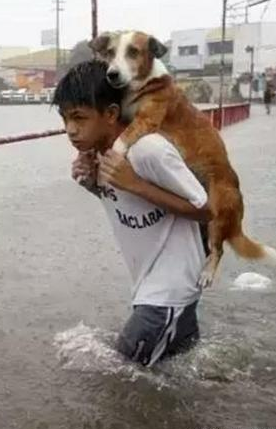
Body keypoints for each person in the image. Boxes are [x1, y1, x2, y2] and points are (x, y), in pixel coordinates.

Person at [52, 60, 211, 367]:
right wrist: (92, 185)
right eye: (65, 119)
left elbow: (207, 209)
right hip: (155, 290)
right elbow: (130, 205)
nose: (70, 130)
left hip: (167, 294)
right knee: (178, 377)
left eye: (79, 118)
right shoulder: (102, 154)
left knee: (120, 384)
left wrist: (135, 183)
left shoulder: (148, 149)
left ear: (111, 114)